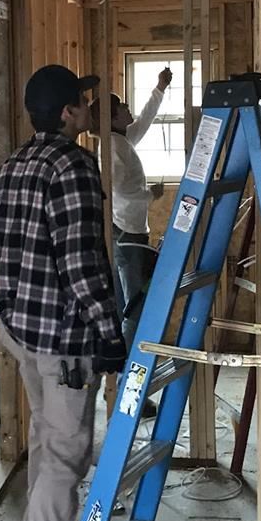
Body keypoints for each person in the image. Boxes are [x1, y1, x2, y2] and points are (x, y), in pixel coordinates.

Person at [0, 64, 126, 521]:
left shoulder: (13, 164)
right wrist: (109, 331)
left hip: (20, 329)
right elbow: (80, 262)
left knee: (49, 441)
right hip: (63, 341)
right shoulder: (72, 165)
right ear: (68, 113)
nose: (90, 109)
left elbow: (5, 250)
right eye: (84, 103)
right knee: (65, 459)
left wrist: (7, 316)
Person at [90, 67, 172, 417]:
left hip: (130, 235)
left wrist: (160, 88)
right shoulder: (111, 148)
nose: (128, 109)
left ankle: (122, 388)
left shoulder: (120, 140)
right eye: (121, 106)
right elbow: (114, 193)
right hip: (126, 238)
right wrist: (149, 195)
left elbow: (146, 121)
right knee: (133, 315)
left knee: (128, 311)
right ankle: (126, 390)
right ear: (110, 117)